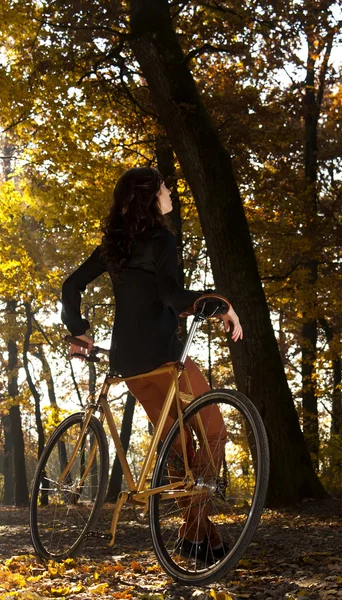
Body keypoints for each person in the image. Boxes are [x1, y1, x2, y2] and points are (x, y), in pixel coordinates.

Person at [61, 166, 243, 563]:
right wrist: (221, 303)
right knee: (213, 432)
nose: (170, 194)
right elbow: (173, 297)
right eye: (165, 188)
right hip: (163, 358)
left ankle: (198, 537)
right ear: (150, 196)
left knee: (176, 445)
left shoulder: (114, 245)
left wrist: (79, 330)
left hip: (128, 365)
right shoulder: (161, 239)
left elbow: (70, 285)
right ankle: (194, 531)